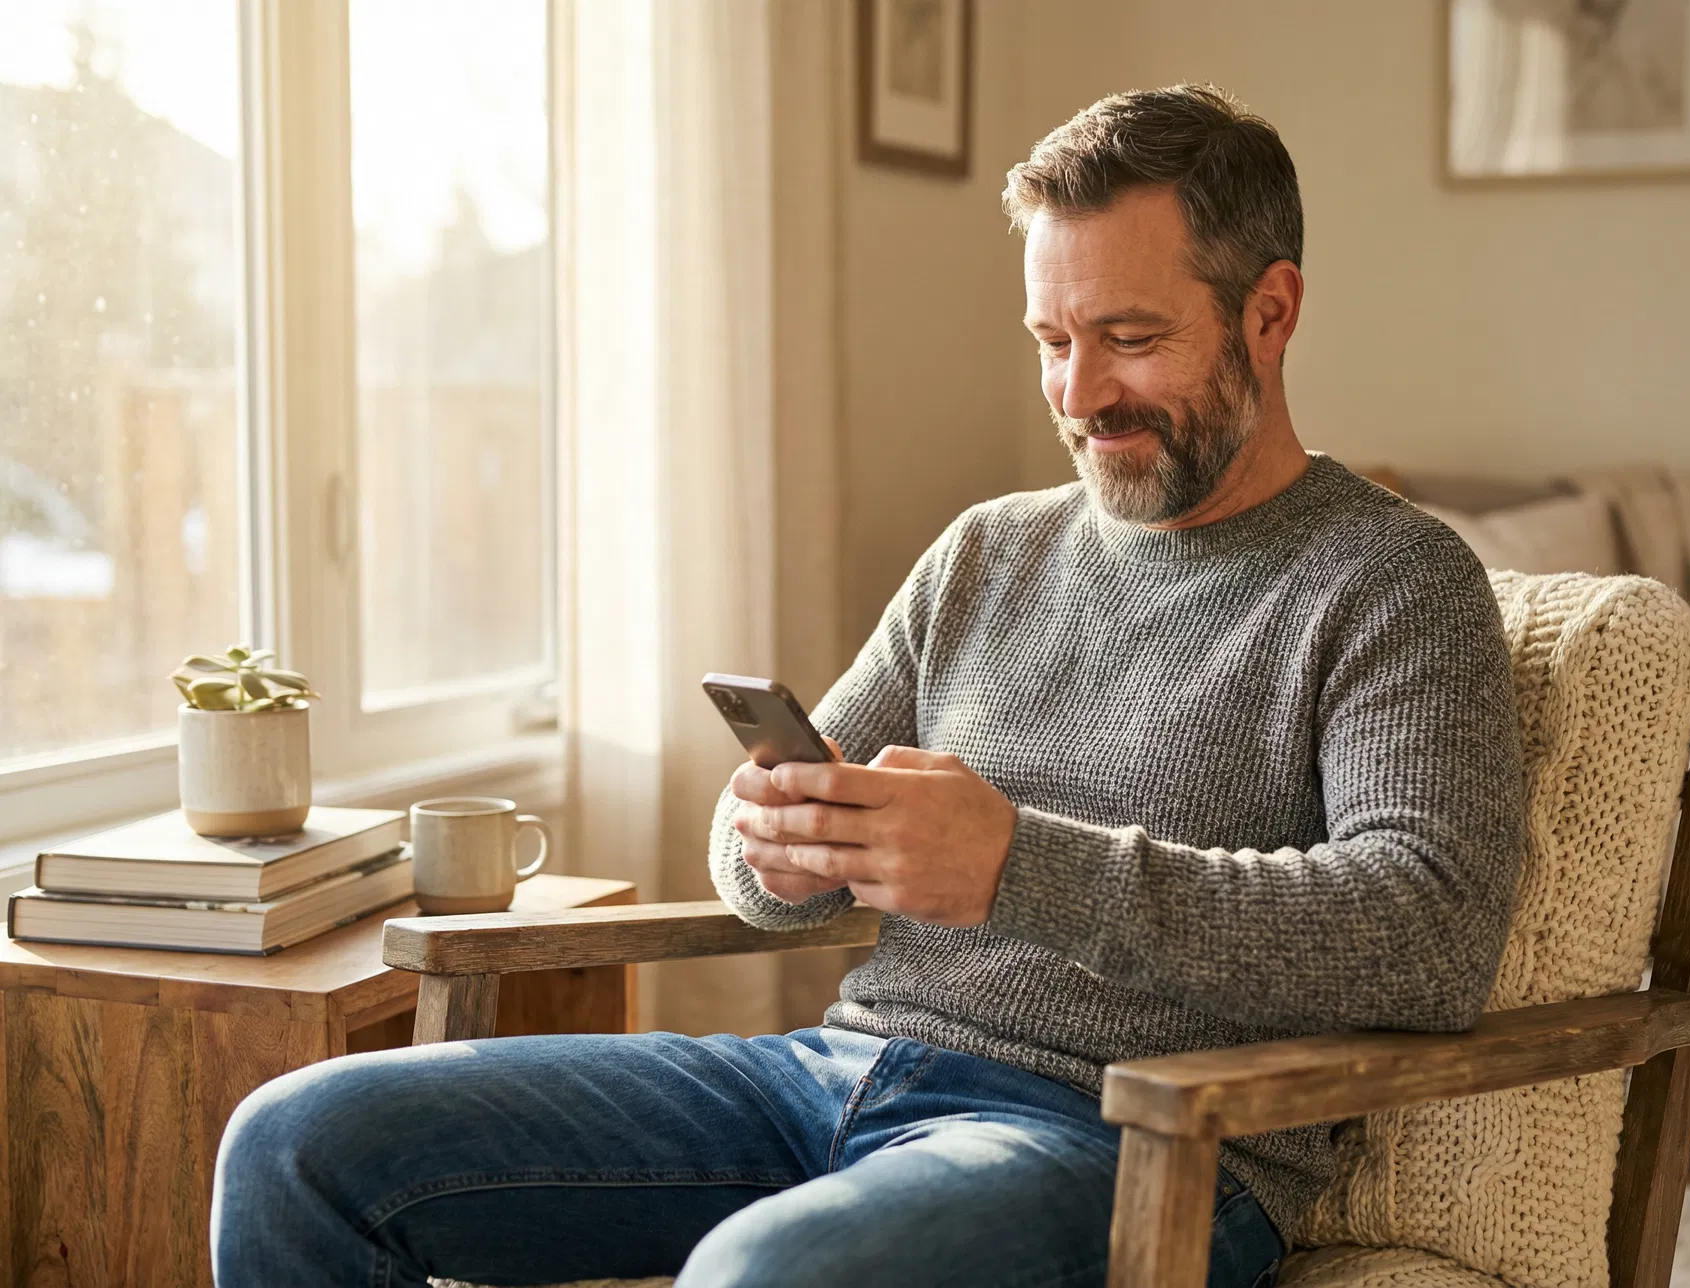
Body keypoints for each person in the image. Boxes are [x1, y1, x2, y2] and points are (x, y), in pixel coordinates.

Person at [212, 84, 1523, 1288]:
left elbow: (1425, 933)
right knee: (295, 1145)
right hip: (830, 1075)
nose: (1079, 394)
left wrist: (1019, 865)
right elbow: (764, 845)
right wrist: (777, 847)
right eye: (1051, 339)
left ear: (1271, 311)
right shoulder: (987, 554)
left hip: (1124, 1141)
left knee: (767, 1278)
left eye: (1129, 338)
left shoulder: (1391, 579)